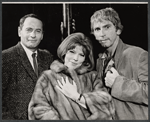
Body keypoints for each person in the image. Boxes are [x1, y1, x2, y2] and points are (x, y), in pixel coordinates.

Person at [28, 32, 115, 120]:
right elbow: (38, 110)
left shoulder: (92, 77)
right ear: (64, 52)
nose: (75, 58)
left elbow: (107, 109)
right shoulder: (47, 77)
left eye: (81, 55)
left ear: (86, 58)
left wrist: (77, 96)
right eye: (72, 52)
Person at [90, 7, 148, 120]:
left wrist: (117, 83)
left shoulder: (137, 54)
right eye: (97, 29)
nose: (102, 34)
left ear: (118, 30)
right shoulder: (101, 60)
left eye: (106, 27)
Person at [2, 13, 53, 120]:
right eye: (29, 30)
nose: (33, 35)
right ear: (19, 31)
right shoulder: (5, 58)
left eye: (38, 31)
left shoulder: (47, 57)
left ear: (42, 35)